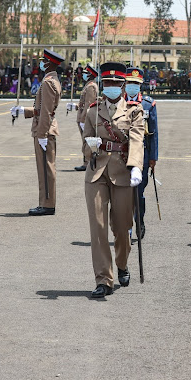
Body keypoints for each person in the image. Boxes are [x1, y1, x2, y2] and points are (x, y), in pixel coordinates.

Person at [82, 62, 144, 298]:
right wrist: (90, 147)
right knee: (98, 228)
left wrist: (136, 166)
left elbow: (137, 140)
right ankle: (103, 279)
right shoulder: (92, 111)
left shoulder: (134, 111)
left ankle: (122, 263)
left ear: (123, 85)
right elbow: (85, 144)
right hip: (97, 173)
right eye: (107, 83)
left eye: (116, 84)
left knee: (121, 227)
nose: (111, 87)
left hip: (122, 173)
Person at [11, 49, 64, 216]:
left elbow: (46, 112)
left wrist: (42, 135)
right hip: (45, 128)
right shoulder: (50, 80)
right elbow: (40, 109)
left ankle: (47, 205)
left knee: (46, 169)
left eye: (43, 61)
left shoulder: (48, 82)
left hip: (45, 131)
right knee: (44, 168)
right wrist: (23, 110)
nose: (41, 64)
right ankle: (45, 202)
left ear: (49, 63)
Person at [125, 67, 159, 239]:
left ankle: (139, 220)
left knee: (138, 193)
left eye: (136, 84)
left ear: (140, 85)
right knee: (123, 194)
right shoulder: (119, 102)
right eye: (130, 83)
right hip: (122, 155)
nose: (132, 86)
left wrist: (153, 158)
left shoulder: (148, 104)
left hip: (142, 156)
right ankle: (126, 228)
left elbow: (154, 133)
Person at [74, 65, 98, 172]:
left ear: (89, 75)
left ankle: (87, 162)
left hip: (85, 118)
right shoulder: (88, 86)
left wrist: (84, 119)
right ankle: (87, 161)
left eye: (85, 73)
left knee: (87, 141)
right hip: (82, 116)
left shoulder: (91, 87)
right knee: (86, 141)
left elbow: (89, 104)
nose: (83, 75)